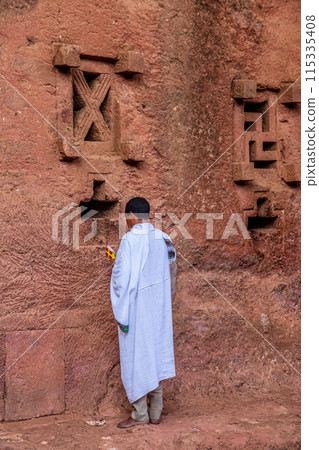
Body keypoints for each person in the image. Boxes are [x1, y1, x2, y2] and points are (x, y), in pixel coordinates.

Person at [110, 197, 176, 428]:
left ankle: (139, 414)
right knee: (154, 355)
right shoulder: (164, 238)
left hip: (137, 308)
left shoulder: (129, 240)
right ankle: (156, 412)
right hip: (158, 307)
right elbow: (171, 267)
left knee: (137, 357)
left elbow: (122, 278)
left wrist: (115, 262)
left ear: (130, 216)